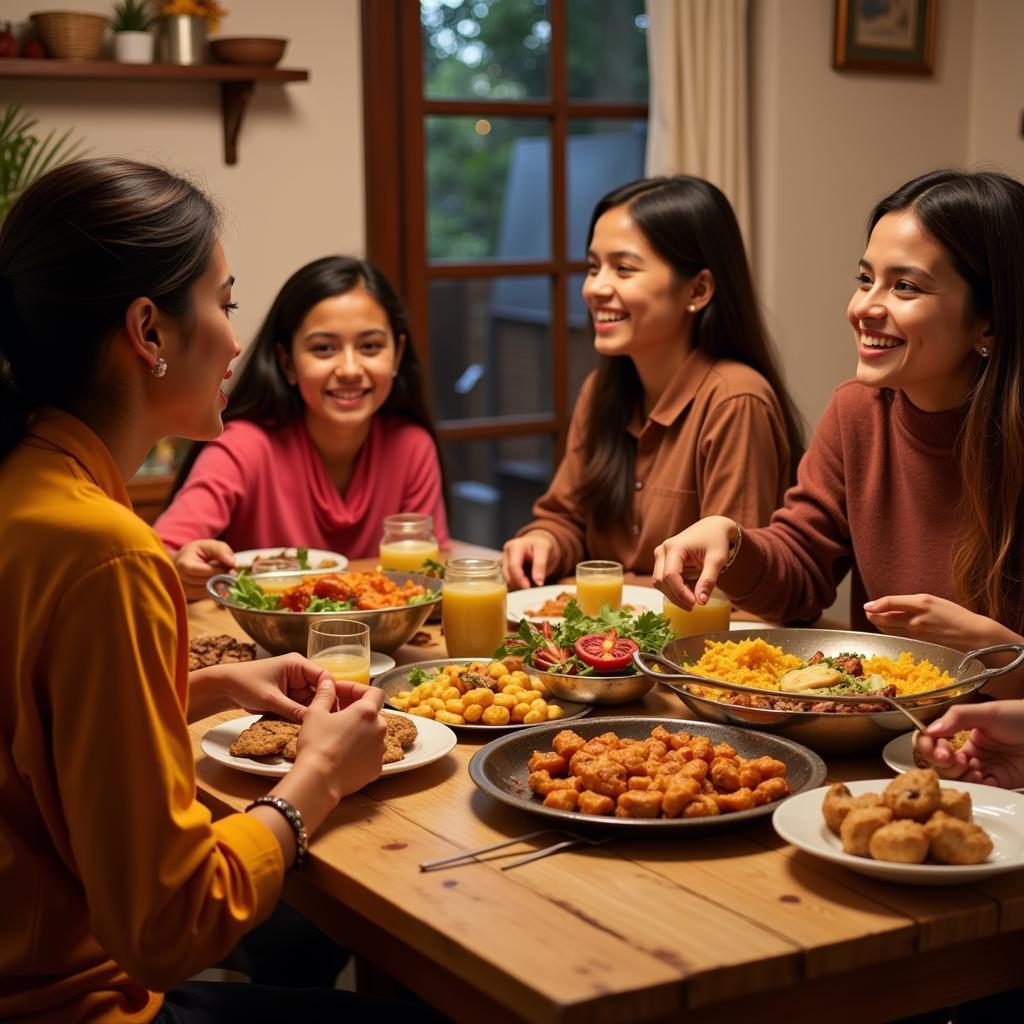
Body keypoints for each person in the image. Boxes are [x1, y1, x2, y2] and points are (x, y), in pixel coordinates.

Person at [0, 158, 439, 1022]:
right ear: (147, 331)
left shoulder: (27, 489)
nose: (236, 342)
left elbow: (31, 738)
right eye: (226, 303)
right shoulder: (106, 552)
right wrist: (315, 776)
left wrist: (203, 686)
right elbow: (167, 924)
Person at [652, 169, 1024, 695]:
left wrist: (996, 650)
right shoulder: (858, 413)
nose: (864, 308)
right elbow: (798, 579)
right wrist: (730, 539)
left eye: (906, 286)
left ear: (988, 322)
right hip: (886, 746)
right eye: (865, 279)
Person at [503, 175, 804, 589]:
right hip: (608, 642)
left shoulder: (736, 399)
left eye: (623, 269)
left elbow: (730, 584)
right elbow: (566, 518)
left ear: (698, 289)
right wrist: (543, 541)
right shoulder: (601, 391)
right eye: (593, 267)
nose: (595, 288)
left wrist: (610, 584)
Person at [154, 255, 449, 599]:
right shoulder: (244, 447)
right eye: (324, 348)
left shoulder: (410, 446)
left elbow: (430, 577)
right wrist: (183, 565)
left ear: (396, 354)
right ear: (287, 362)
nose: (350, 369)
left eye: (370, 346)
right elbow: (159, 557)